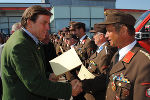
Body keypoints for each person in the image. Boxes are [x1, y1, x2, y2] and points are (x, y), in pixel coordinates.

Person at [1, 5, 82, 100]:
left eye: (48, 23)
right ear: (30, 22)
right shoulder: (20, 45)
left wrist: (48, 76)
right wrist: (69, 89)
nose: (48, 28)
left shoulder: (28, 41)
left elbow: (31, 72)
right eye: (44, 23)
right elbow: (34, 83)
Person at [81, 10, 150, 100]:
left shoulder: (144, 63)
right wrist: (81, 85)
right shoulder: (117, 55)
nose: (106, 36)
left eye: (109, 31)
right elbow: (108, 78)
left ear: (123, 30)